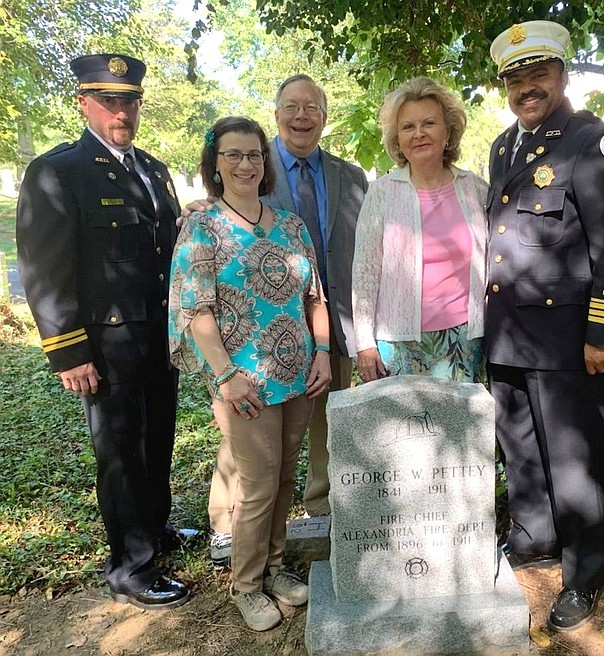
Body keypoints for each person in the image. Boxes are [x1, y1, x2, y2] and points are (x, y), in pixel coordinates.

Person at [16, 54, 190, 609]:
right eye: (109, 100)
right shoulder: (59, 171)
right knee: (120, 454)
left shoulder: (153, 169)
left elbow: (169, 246)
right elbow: (44, 267)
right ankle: (131, 568)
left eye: (130, 100)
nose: (121, 111)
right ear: (84, 103)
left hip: (158, 336)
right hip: (108, 343)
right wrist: (68, 352)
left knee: (157, 438)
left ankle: (155, 532)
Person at [487, 21, 604, 631]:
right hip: (509, 334)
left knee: (574, 461)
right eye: (516, 78)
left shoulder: (592, 141)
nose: (528, 87)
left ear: (562, 75)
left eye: (539, 74)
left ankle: (583, 571)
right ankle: (532, 537)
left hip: (569, 340)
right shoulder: (504, 147)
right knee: (520, 447)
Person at [168, 116, 331, 631]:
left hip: (299, 374)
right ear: (215, 163)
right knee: (257, 486)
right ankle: (246, 584)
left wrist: (323, 352)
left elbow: (315, 298)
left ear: (266, 162)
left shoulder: (289, 226)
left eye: (255, 155)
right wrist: (226, 377)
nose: (246, 164)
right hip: (244, 382)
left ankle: (276, 566)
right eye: (234, 155)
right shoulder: (202, 226)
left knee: (286, 477)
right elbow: (196, 311)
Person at [203, 74, 368, 569]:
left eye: (312, 107)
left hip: (326, 328)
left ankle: (318, 513)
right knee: (249, 443)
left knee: (323, 427)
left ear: (324, 115)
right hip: (251, 342)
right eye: (291, 107)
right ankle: (228, 529)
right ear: (276, 114)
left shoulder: (351, 177)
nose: (302, 116)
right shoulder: (253, 164)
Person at [352, 76, 488, 385]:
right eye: (408, 127)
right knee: (403, 432)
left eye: (429, 123)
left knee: (458, 431)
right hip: (397, 342)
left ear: (448, 131)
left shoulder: (474, 189)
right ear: (397, 140)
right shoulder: (383, 193)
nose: (419, 134)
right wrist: (364, 343)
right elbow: (365, 273)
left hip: (464, 339)